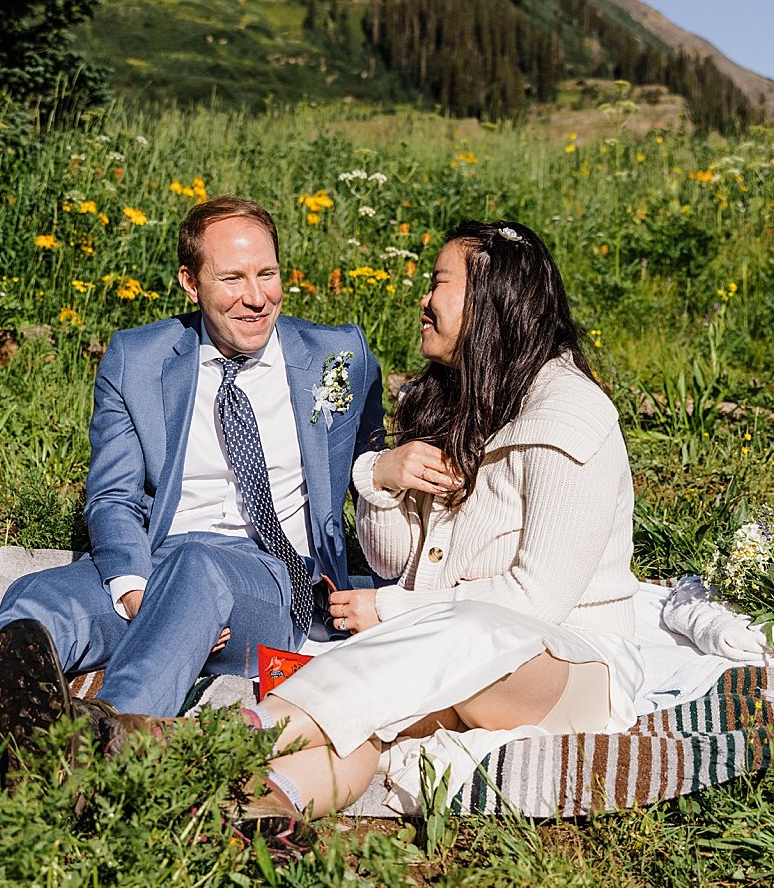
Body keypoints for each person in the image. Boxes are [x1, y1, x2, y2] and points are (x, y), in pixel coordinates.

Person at [0, 196, 385, 778]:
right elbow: (113, 495)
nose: (256, 297)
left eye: (267, 273)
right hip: (161, 561)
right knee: (40, 596)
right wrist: (135, 590)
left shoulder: (339, 355)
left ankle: (98, 746)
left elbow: (374, 473)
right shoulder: (138, 358)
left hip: (270, 580)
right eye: (231, 277)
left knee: (200, 569)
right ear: (190, 283)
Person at [237, 219, 644, 848]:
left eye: (439, 284)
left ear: (489, 300)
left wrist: (394, 611)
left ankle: (232, 735)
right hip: (447, 652)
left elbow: (536, 603)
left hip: (568, 669)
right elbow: (396, 560)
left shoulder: (571, 415)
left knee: (461, 632)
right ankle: (258, 803)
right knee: (368, 722)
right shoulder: (457, 396)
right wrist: (381, 477)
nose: (423, 299)